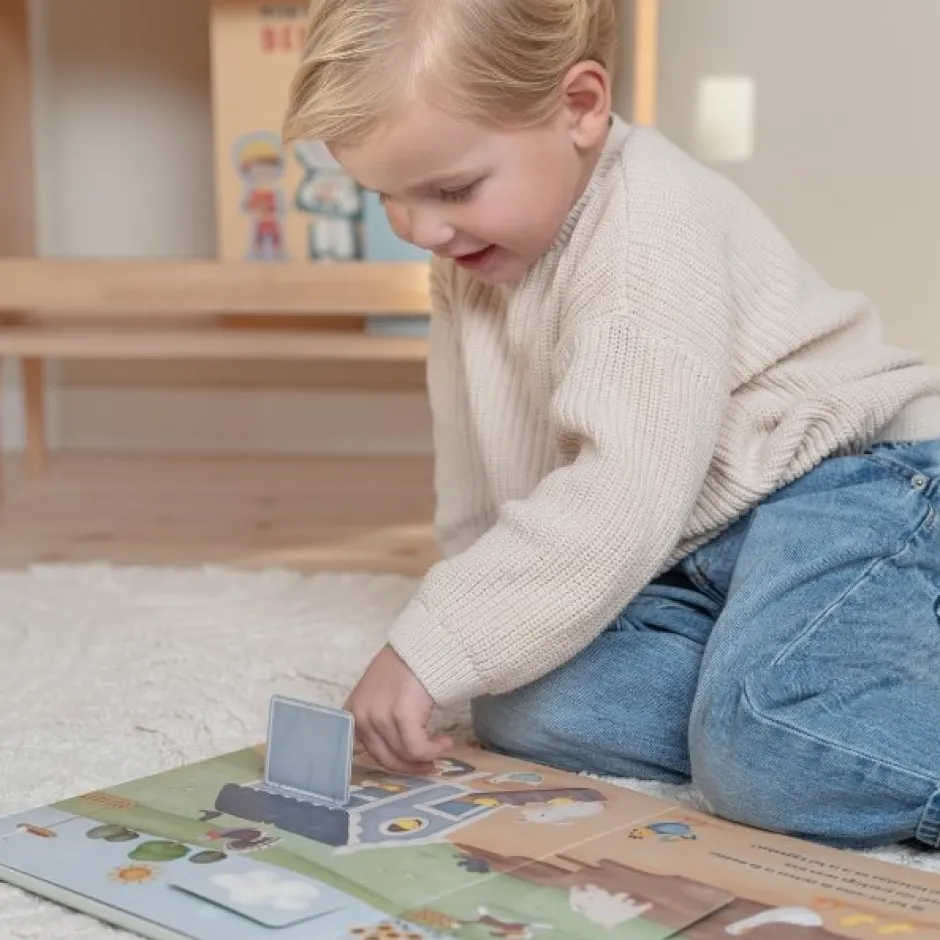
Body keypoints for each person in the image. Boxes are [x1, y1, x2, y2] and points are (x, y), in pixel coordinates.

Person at [281, 0, 940, 850]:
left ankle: (781, 717)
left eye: (452, 190)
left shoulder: (648, 228)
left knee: (768, 752)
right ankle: (802, 690)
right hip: (695, 542)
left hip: (853, 484)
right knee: (527, 701)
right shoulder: (471, 256)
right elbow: (486, 475)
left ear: (581, 106)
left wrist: (425, 647)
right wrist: (466, 621)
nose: (421, 230)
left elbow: (622, 495)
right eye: (384, 198)